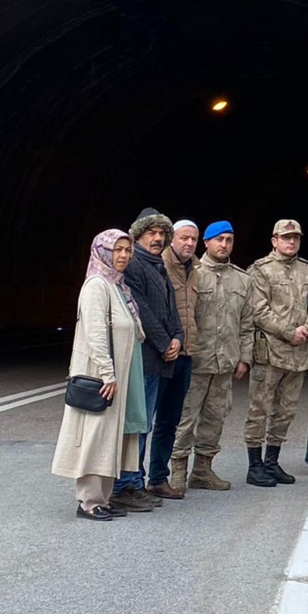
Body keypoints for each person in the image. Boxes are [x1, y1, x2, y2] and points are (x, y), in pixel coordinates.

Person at [51, 229, 146, 520]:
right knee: (96, 435)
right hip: (102, 376)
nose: (123, 256)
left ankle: (103, 497)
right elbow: (95, 334)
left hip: (117, 375)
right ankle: (89, 502)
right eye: (117, 250)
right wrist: (108, 373)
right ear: (102, 252)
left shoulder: (117, 286)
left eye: (127, 250)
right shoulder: (96, 285)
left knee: (110, 437)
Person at [112, 208, 185, 511]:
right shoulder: (135, 265)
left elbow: (171, 308)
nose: (157, 238)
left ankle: (136, 482)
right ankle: (123, 486)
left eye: (161, 234)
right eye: (150, 233)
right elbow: (139, 308)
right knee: (135, 425)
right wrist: (164, 341)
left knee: (145, 423)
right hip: (143, 358)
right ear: (138, 236)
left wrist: (178, 336)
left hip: (157, 360)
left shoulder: (158, 266)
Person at [245, 219, 308, 487]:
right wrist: (289, 331)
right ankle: (254, 465)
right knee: (260, 408)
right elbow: (258, 310)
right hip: (270, 351)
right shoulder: (261, 270)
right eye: (286, 237)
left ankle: (272, 461)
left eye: (296, 238)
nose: (291, 242)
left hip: (298, 353)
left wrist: (307, 328)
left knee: (286, 411)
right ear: (274, 240)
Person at [174, 220, 252, 492]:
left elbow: (247, 322)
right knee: (185, 417)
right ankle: (177, 470)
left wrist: (245, 357)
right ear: (205, 242)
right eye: (218, 239)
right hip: (196, 360)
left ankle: (203, 470)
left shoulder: (243, 279)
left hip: (225, 362)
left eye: (229, 240)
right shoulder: (192, 274)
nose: (224, 245)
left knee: (215, 417)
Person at [159, 219, 200, 495]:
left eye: (193, 239)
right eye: (184, 238)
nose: (189, 243)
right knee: (144, 420)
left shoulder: (196, 269)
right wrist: (164, 343)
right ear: (172, 238)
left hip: (186, 354)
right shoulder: (159, 265)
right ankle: (132, 480)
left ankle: (159, 478)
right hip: (161, 354)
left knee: (170, 420)